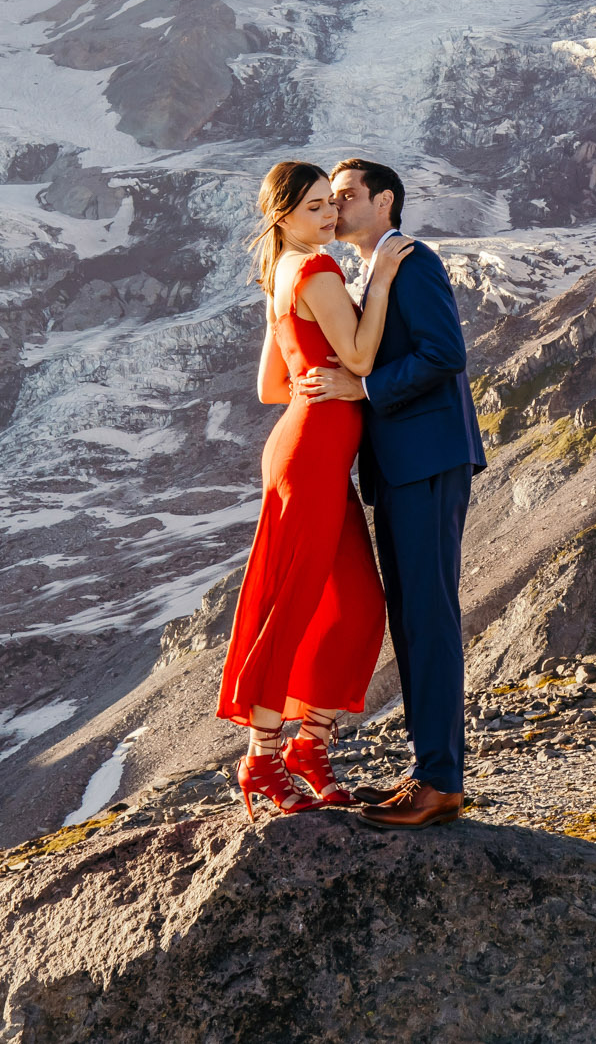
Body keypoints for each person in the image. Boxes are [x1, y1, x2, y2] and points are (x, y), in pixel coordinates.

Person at [215, 160, 412, 819]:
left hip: (314, 454)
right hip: (309, 458)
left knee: (357, 603)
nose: (329, 216)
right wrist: (378, 281)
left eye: (332, 203)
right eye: (314, 208)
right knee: (294, 605)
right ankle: (261, 759)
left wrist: (316, 378)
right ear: (283, 216)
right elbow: (358, 356)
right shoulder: (317, 270)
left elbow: (272, 387)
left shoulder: (283, 275)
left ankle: (308, 748)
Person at [299, 157, 487, 830]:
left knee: (428, 616)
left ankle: (439, 779)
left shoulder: (412, 260)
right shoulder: (375, 267)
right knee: (413, 617)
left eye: (346, 194)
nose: (335, 205)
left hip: (430, 459)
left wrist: (365, 389)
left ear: (384, 201)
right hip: (406, 466)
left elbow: (445, 353)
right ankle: (429, 770)